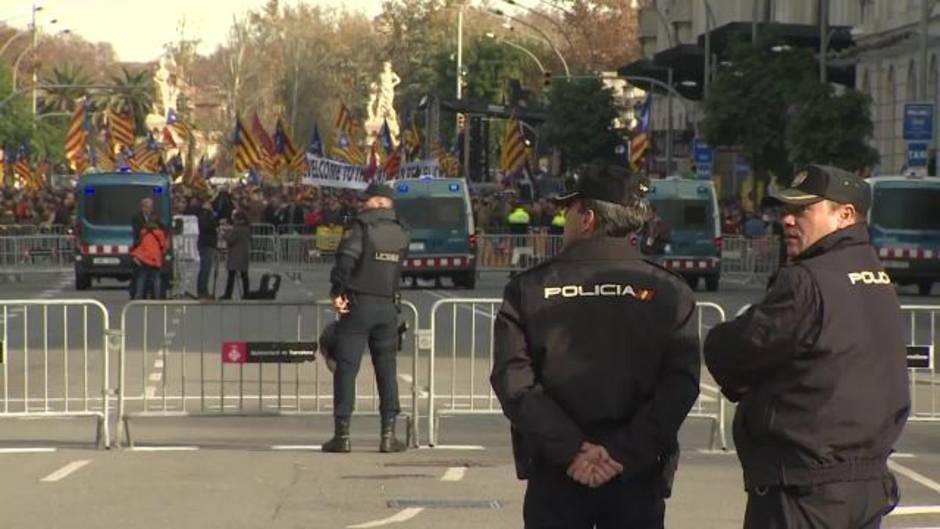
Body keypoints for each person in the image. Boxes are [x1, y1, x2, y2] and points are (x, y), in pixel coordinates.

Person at [490, 163, 701, 529]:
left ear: (587, 218)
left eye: (568, 209)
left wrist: (572, 449)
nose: (564, 218)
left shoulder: (530, 288)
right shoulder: (670, 291)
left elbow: (514, 381)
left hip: (557, 471)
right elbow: (680, 385)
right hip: (637, 472)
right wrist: (623, 452)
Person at [704, 164, 909, 529]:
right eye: (786, 210)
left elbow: (737, 352)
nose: (788, 220)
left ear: (845, 215)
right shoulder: (876, 275)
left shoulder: (806, 281)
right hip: (863, 485)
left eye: (802, 210)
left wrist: (721, 342)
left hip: (804, 489)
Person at [323, 182, 410, 454]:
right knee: (387, 371)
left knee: (346, 369)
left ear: (378, 201)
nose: (362, 204)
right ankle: (388, 435)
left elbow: (346, 261)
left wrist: (337, 291)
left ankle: (343, 435)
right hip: (387, 306)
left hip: (358, 304)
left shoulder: (361, 227)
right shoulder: (402, 230)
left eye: (367, 200)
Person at [129, 212, 168, 299]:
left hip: (144, 258)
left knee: (141, 277)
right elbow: (163, 246)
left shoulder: (143, 232)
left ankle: (138, 295)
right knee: (156, 278)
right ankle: (157, 296)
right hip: (155, 258)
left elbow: (140, 243)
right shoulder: (160, 233)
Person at [130, 198, 159, 299]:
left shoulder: (155, 216)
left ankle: (154, 295)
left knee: (153, 276)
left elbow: (161, 229)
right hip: (140, 249)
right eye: (147, 207)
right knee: (140, 275)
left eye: (150, 207)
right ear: (142, 207)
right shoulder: (136, 218)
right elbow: (136, 232)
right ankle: (137, 295)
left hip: (152, 251)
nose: (149, 209)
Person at [220, 210, 251, 300]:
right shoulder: (246, 227)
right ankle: (246, 293)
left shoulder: (236, 228)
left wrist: (224, 235)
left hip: (235, 254)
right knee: (244, 275)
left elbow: (231, 240)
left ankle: (228, 294)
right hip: (244, 253)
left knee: (231, 275)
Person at [192, 196, 219, 300]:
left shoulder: (208, 214)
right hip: (206, 243)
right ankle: (202, 290)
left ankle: (203, 289)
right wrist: (214, 222)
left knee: (207, 268)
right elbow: (206, 226)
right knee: (205, 268)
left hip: (209, 243)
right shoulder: (204, 214)